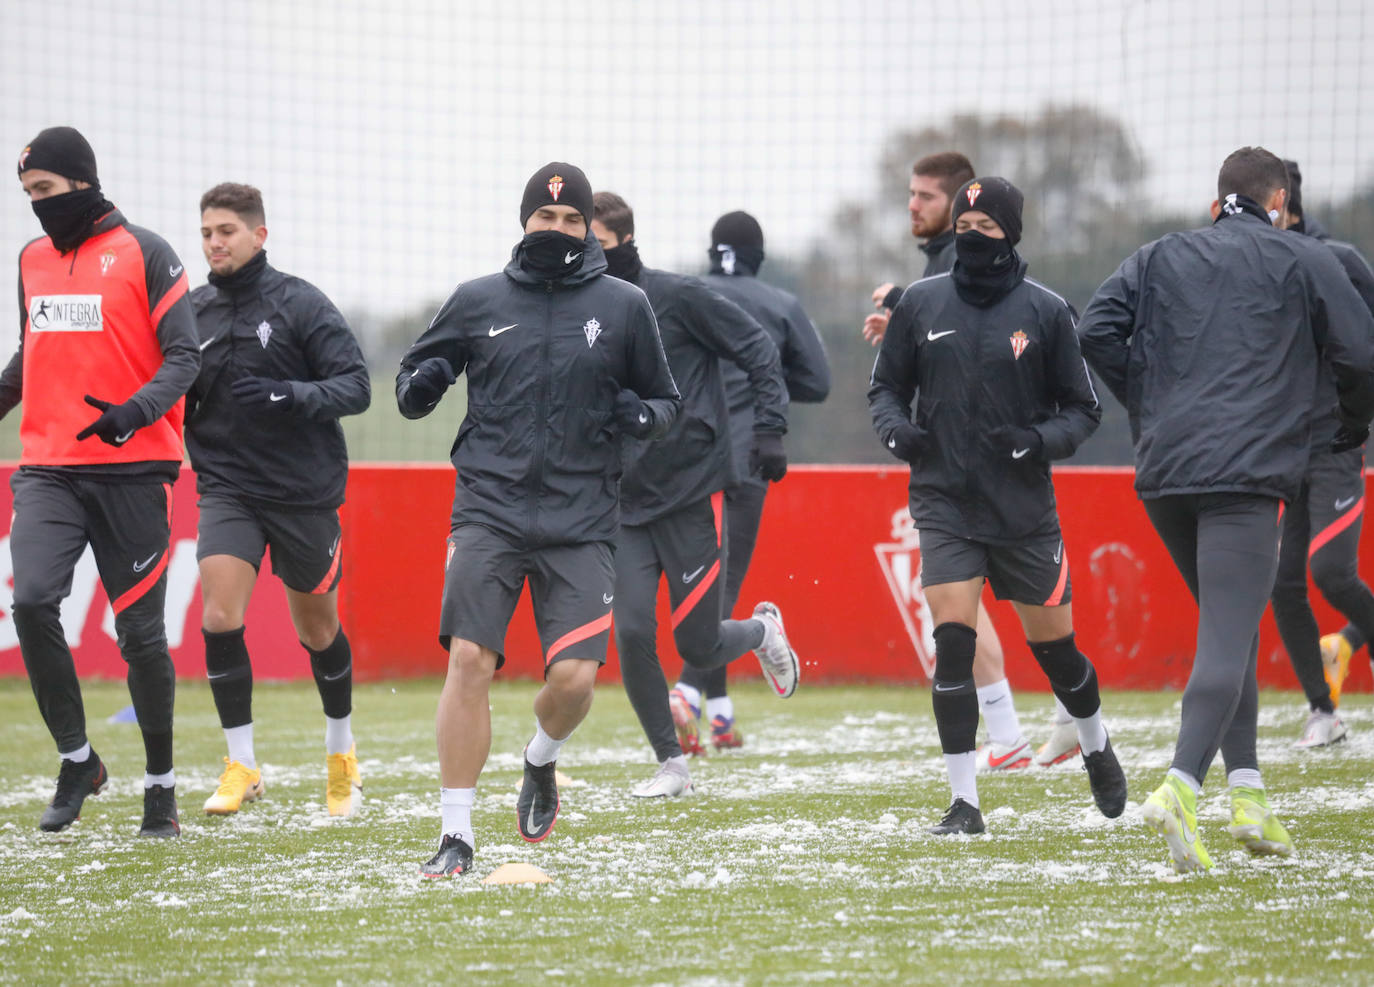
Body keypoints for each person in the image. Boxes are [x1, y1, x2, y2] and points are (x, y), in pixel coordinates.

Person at [1079, 147, 1374, 872]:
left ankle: (1249, 796)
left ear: (1219, 199)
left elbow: (1093, 331)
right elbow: (1362, 357)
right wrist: (1344, 427)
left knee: (1232, 629)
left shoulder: (1156, 254)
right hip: (1247, 474)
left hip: (1166, 470)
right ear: (1278, 200)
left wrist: (1149, 407)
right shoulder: (1307, 258)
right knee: (1224, 641)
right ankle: (1181, 785)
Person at [397, 163, 682, 877]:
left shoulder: (623, 306)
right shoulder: (476, 298)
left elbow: (666, 401)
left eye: (569, 220)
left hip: (583, 516)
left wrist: (643, 415)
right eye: (543, 218)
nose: (555, 230)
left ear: (589, 228)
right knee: (469, 660)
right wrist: (420, 383)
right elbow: (414, 377)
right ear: (524, 222)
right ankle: (455, 833)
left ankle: (540, 758)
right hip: (488, 508)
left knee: (576, 679)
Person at [868, 177, 1126, 836]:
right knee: (953, 642)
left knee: (1058, 653)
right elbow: (886, 390)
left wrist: (1037, 441)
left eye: (985, 228)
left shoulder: (1045, 310)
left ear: (1010, 234)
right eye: (964, 226)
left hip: (1023, 510)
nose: (971, 237)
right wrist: (898, 431)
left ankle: (1095, 743)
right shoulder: (921, 303)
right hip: (943, 499)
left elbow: (1084, 408)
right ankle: (964, 802)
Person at [0, 127, 199, 836]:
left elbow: (184, 357)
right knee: (29, 603)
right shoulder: (29, 259)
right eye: (28, 195)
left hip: (134, 470)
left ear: (82, 182)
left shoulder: (146, 252)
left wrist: (134, 413)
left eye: (46, 191)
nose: (37, 207)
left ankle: (160, 787)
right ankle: (78, 759)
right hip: (49, 469)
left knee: (141, 636)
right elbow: (35, 351)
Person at [590, 193, 800, 798]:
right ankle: (671, 764)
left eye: (594, 245)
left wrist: (769, 428)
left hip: (691, 490)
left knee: (698, 642)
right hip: (624, 502)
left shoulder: (679, 298)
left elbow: (759, 348)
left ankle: (763, 632)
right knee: (630, 631)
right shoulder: (578, 307)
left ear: (624, 241)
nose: (583, 257)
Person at [866, 151, 1063, 772]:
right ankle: (1025, 733)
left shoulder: (970, 268)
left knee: (1018, 624)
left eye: (926, 196)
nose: (913, 205)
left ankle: (1041, 728)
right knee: (960, 613)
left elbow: (1046, 341)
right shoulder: (935, 272)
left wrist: (1035, 436)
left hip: (1001, 483)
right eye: (912, 194)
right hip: (952, 478)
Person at [185, 183, 371, 817]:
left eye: (227, 231)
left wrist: (293, 395)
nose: (215, 242)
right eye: (207, 231)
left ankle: (341, 755)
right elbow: (166, 385)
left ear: (258, 236)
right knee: (218, 616)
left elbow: (356, 386)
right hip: (227, 489)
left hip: (302, 493)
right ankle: (241, 764)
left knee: (318, 631)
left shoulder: (301, 303)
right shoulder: (191, 312)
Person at [667, 210, 829, 755]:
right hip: (750, 457)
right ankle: (688, 694)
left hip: (682, 457)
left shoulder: (682, 294)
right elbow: (816, 380)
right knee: (725, 583)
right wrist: (767, 389)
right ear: (756, 256)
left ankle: (720, 715)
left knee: (702, 585)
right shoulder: (778, 303)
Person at [1270, 161, 1374, 726]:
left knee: (1331, 571)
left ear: (1284, 203)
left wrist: (1356, 415)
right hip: (1280, 450)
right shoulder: (1248, 269)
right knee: (1282, 583)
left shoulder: (1341, 262)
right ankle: (1322, 711)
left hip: (1336, 441)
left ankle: (1357, 641)